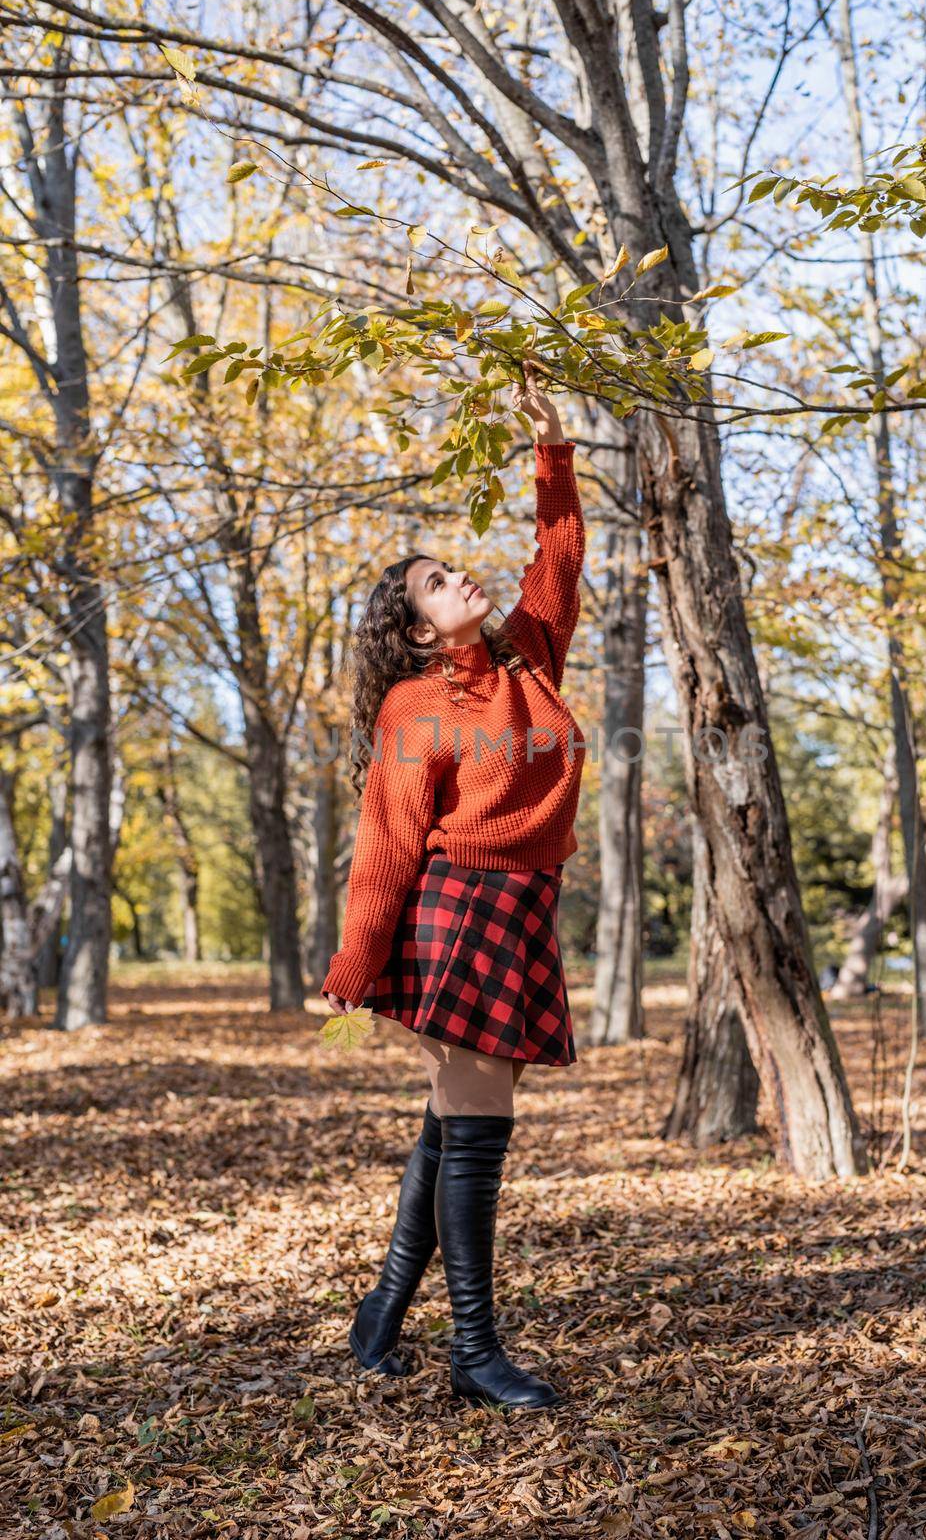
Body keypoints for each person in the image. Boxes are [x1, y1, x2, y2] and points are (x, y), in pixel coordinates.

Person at [322, 360, 587, 1413]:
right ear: (423, 628)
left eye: (454, 568)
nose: (460, 578)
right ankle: (474, 1351)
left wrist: (552, 449)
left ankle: (384, 1312)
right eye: (438, 581)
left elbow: (559, 556)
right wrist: (354, 966)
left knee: (453, 1122)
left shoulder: (528, 656)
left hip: (523, 907)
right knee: (477, 1131)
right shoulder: (416, 705)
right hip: (456, 913)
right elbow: (386, 844)